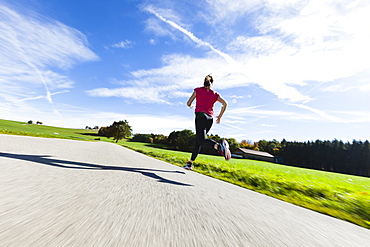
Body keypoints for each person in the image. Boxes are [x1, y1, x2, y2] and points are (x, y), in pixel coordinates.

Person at [184, 75, 231, 170]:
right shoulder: (215, 94)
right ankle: (190, 163)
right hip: (210, 119)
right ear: (212, 83)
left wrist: (191, 105)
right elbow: (225, 103)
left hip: (200, 116)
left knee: (201, 140)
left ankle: (219, 146)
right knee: (199, 141)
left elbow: (188, 103)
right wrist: (220, 116)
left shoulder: (197, 90)